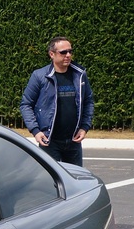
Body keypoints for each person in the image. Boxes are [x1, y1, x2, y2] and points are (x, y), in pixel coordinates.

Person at [20, 36, 94, 166]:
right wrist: (35, 131)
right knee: (50, 177)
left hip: (73, 141)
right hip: (49, 141)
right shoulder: (40, 76)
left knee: (75, 177)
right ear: (51, 54)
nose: (68, 55)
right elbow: (26, 104)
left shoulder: (79, 75)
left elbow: (88, 101)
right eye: (63, 52)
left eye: (70, 51)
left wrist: (84, 127)